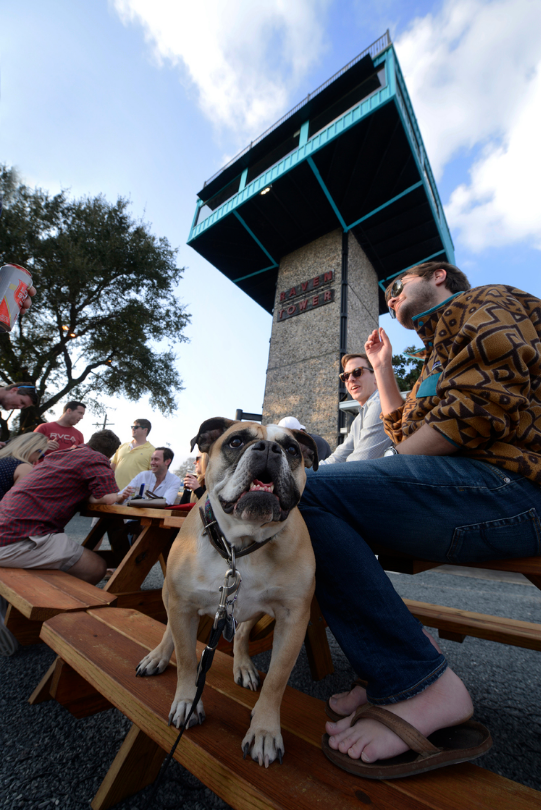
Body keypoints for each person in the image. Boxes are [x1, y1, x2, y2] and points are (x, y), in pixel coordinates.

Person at [299, 261, 541, 779]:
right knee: (309, 498)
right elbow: (404, 429)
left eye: (396, 286)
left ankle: (418, 681)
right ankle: (397, 657)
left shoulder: (488, 300)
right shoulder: (434, 351)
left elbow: (481, 407)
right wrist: (383, 367)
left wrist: (397, 465)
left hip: (514, 488)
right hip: (470, 489)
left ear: (438, 276)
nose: (390, 298)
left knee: (301, 494)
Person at [0, 429, 129, 587]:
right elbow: (108, 498)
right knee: (96, 567)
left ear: (89, 442)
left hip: (7, 529)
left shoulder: (58, 455)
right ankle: (56, 607)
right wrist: (117, 496)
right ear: (109, 454)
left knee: (69, 559)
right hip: (18, 539)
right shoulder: (95, 458)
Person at [319, 353, 392, 464]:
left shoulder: (380, 404)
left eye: (357, 372)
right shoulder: (358, 420)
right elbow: (338, 457)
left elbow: (358, 463)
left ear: (376, 376)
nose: (351, 379)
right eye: (345, 376)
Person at [0, 433, 48, 500]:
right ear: (34, 450)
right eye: (41, 454)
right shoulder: (24, 467)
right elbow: (15, 500)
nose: (37, 459)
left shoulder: (2, 457)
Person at [111, 419, 155, 490]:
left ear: (145, 430)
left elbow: (151, 477)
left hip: (133, 496)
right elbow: (112, 468)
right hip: (114, 492)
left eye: (136, 427)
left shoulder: (153, 451)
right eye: (132, 427)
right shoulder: (122, 446)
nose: (133, 429)